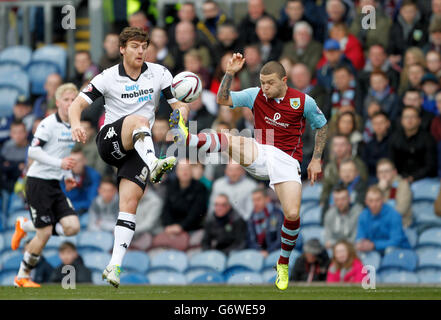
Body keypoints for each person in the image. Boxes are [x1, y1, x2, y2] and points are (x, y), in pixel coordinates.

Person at [169, 54, 328, 290]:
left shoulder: (304, 102)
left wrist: (316, 159)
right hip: (260, 150)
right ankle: (188, 138)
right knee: (233, 139)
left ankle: (282, 264)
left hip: (287, 162)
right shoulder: (255, 94)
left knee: (293, 214)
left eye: (270, 83)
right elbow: (223, 99)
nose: (265, 87)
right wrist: (230, 73)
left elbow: (322, 126)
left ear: (284, 80)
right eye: (263, 82)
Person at [68, 27, 188, 288]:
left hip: (137, 150)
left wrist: (182, 112)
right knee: (138, 120)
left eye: (144, 46)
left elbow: (178, 104)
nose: (140, 50)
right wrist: (76, 123)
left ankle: (114, 265)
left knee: (129, 204)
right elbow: (76, 104)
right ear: (122, 49)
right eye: (134, 46)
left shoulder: (160, 73)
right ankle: (154, 161)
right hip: (110, 141)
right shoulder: (108, 77)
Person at [11, 83, 81, 288]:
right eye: (66, 100)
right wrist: (60, 165)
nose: (70, 104)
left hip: (54, 183)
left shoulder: (73, 126)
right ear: (58, 102)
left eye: (73, 100)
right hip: (37, 183)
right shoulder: (48, 124)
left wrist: (67, 174)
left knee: (72, 227)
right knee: (44, 233)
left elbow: (62, 154)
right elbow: (32, 152)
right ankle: (21, 277)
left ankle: (25, 225)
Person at [154, 158, 208, 251]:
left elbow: (196, 212)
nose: (185, 172)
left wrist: (181, 227)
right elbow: (166, 209)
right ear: (177, 172)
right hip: (171, 228)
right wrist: (168, 226)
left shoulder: (200, 188)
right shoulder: (171, 186)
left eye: (187, 169)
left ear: (191, 171)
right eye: (182, 169)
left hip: (192, 229)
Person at [355, 186, 411, 254]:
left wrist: (374, 245)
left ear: (383, 200)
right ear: (366, 202)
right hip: (373, 251)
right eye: (371, 201)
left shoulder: (394, 215)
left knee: (390, 250)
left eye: (377, 200)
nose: (374, 204)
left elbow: (396, 241)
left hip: (399, 251)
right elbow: (360, 237)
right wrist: (361, 244)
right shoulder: (363, 215)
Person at [389, 105, 437, 183]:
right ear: (401, 120)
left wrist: (412, 178)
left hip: (424, 179)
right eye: (406, 117)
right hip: (399, 178)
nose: (409, 120)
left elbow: (430, 166)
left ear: (419, 120)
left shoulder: (428, 139)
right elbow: (391, 162)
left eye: (413, 117)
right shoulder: (394, 138)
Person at [60, 147, 101, 215]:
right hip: (68, 212)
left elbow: (93, 201)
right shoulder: (63, 176)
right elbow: (64, 200)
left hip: (87, 212)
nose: (76, 164)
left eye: (79, 161)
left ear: (85, 161)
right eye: (72, 161)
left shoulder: (94, 176)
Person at [246, 188, 284, 257]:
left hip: (276, 252)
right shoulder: (251, 218)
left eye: (258, 199)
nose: (255, 203)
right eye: (253, 200)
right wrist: (260, 252)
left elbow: (281, 239)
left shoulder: (278, 214)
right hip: (259, 254)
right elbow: (251, 241)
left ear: (267, 199)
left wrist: (268, 251)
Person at [376, 158, 412, 228]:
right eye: (380, 172)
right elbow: (371, 210)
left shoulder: (403, 185)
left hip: (401, 226)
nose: (383, 175)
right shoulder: (376, 188)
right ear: (377, 175)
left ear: (394, 172)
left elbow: (400, 211)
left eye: (386, 171)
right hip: (380, 227)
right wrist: (380, 190)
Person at [362, 111, 392, 180]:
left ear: (388, 123)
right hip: (371, 177)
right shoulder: (369, 144)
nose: (378, 126)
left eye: (381, 123)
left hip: (388, 176)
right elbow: (364, 163)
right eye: (375, 123)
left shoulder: (394, 141)